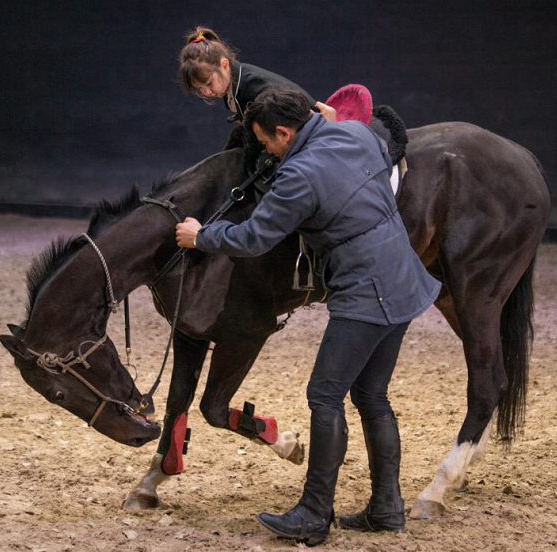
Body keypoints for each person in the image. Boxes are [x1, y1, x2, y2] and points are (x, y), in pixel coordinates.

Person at [175, 88, 441, 546]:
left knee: (324, 394)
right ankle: (386, 509)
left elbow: (254, 238)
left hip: (367, 292)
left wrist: (202, 236)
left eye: (267, 142)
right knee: (372, 395)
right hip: (404, 278)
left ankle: (314, 515)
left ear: (284, 131)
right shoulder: (356, 134)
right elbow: (372, 147)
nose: (267, 151)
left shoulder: (298, 174)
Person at [177, 26, 336, 152]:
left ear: (224, 65)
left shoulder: (251, 86)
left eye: (209, 83)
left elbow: (284, 131)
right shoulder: (231, 87)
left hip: (308, 134)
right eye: (200, 89)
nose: (207, 92)